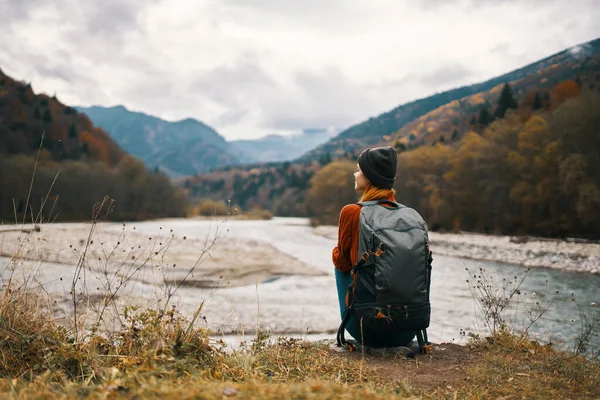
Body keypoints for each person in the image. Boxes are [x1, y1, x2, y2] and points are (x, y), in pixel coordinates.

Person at [332, 146, 416, 348]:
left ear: (369, 177)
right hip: (409, 329)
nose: (355, 173)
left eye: (359, 169)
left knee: (342, 263)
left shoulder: (352, 212)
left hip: (365, 329)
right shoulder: (411, 216)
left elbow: (342, 263)